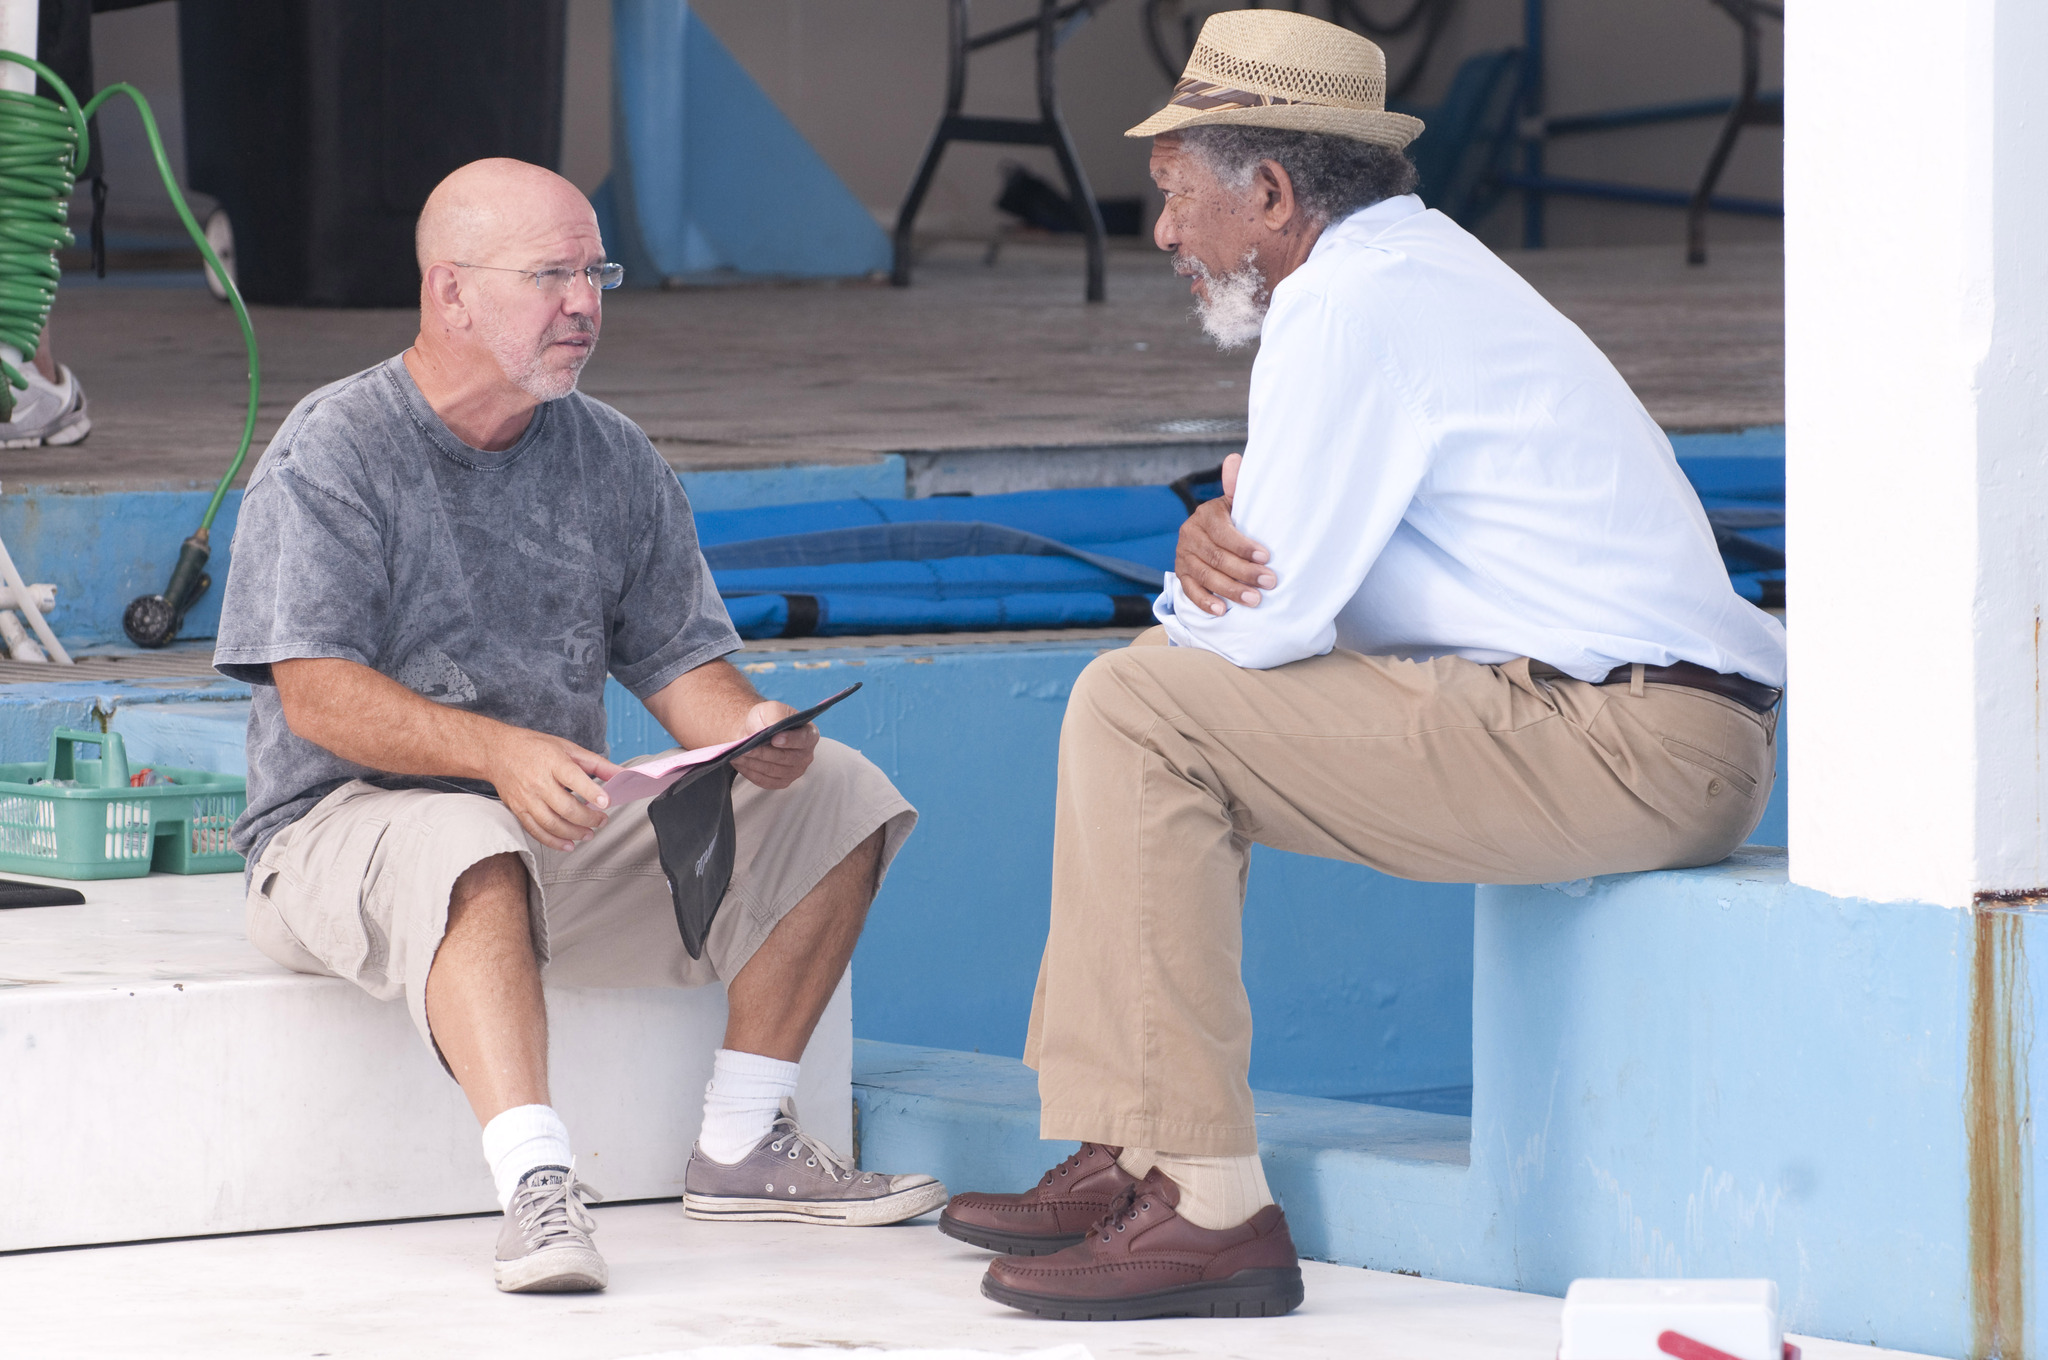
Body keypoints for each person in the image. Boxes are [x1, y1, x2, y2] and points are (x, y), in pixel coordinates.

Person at [939, 10, 1786, 1322]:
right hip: (1636, 729)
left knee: (1141, 710)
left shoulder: (1349, 307)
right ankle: (1139, 1142)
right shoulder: (1410, 275)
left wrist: (1206, 566)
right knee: (1152, 707)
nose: (1163, 235)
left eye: (1176, 197)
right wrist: (1222, 546)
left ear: (1269, 193)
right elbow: (1300, 583)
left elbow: (1262, 623)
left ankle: (1206, 1202)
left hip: (1629, 741)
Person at [214, 158, 941, 1295]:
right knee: (473, 840)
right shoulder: (336, 447)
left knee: (841, 789)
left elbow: (679, 665)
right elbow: (316, 693)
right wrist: (495, 753)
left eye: (593, 271)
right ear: (449, 292)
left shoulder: (610, 454)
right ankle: (539, 1187)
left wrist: (751, 726)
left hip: (545, 820)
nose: (585, 303)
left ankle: (744, 1140)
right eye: (548, 275)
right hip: (336, 836)